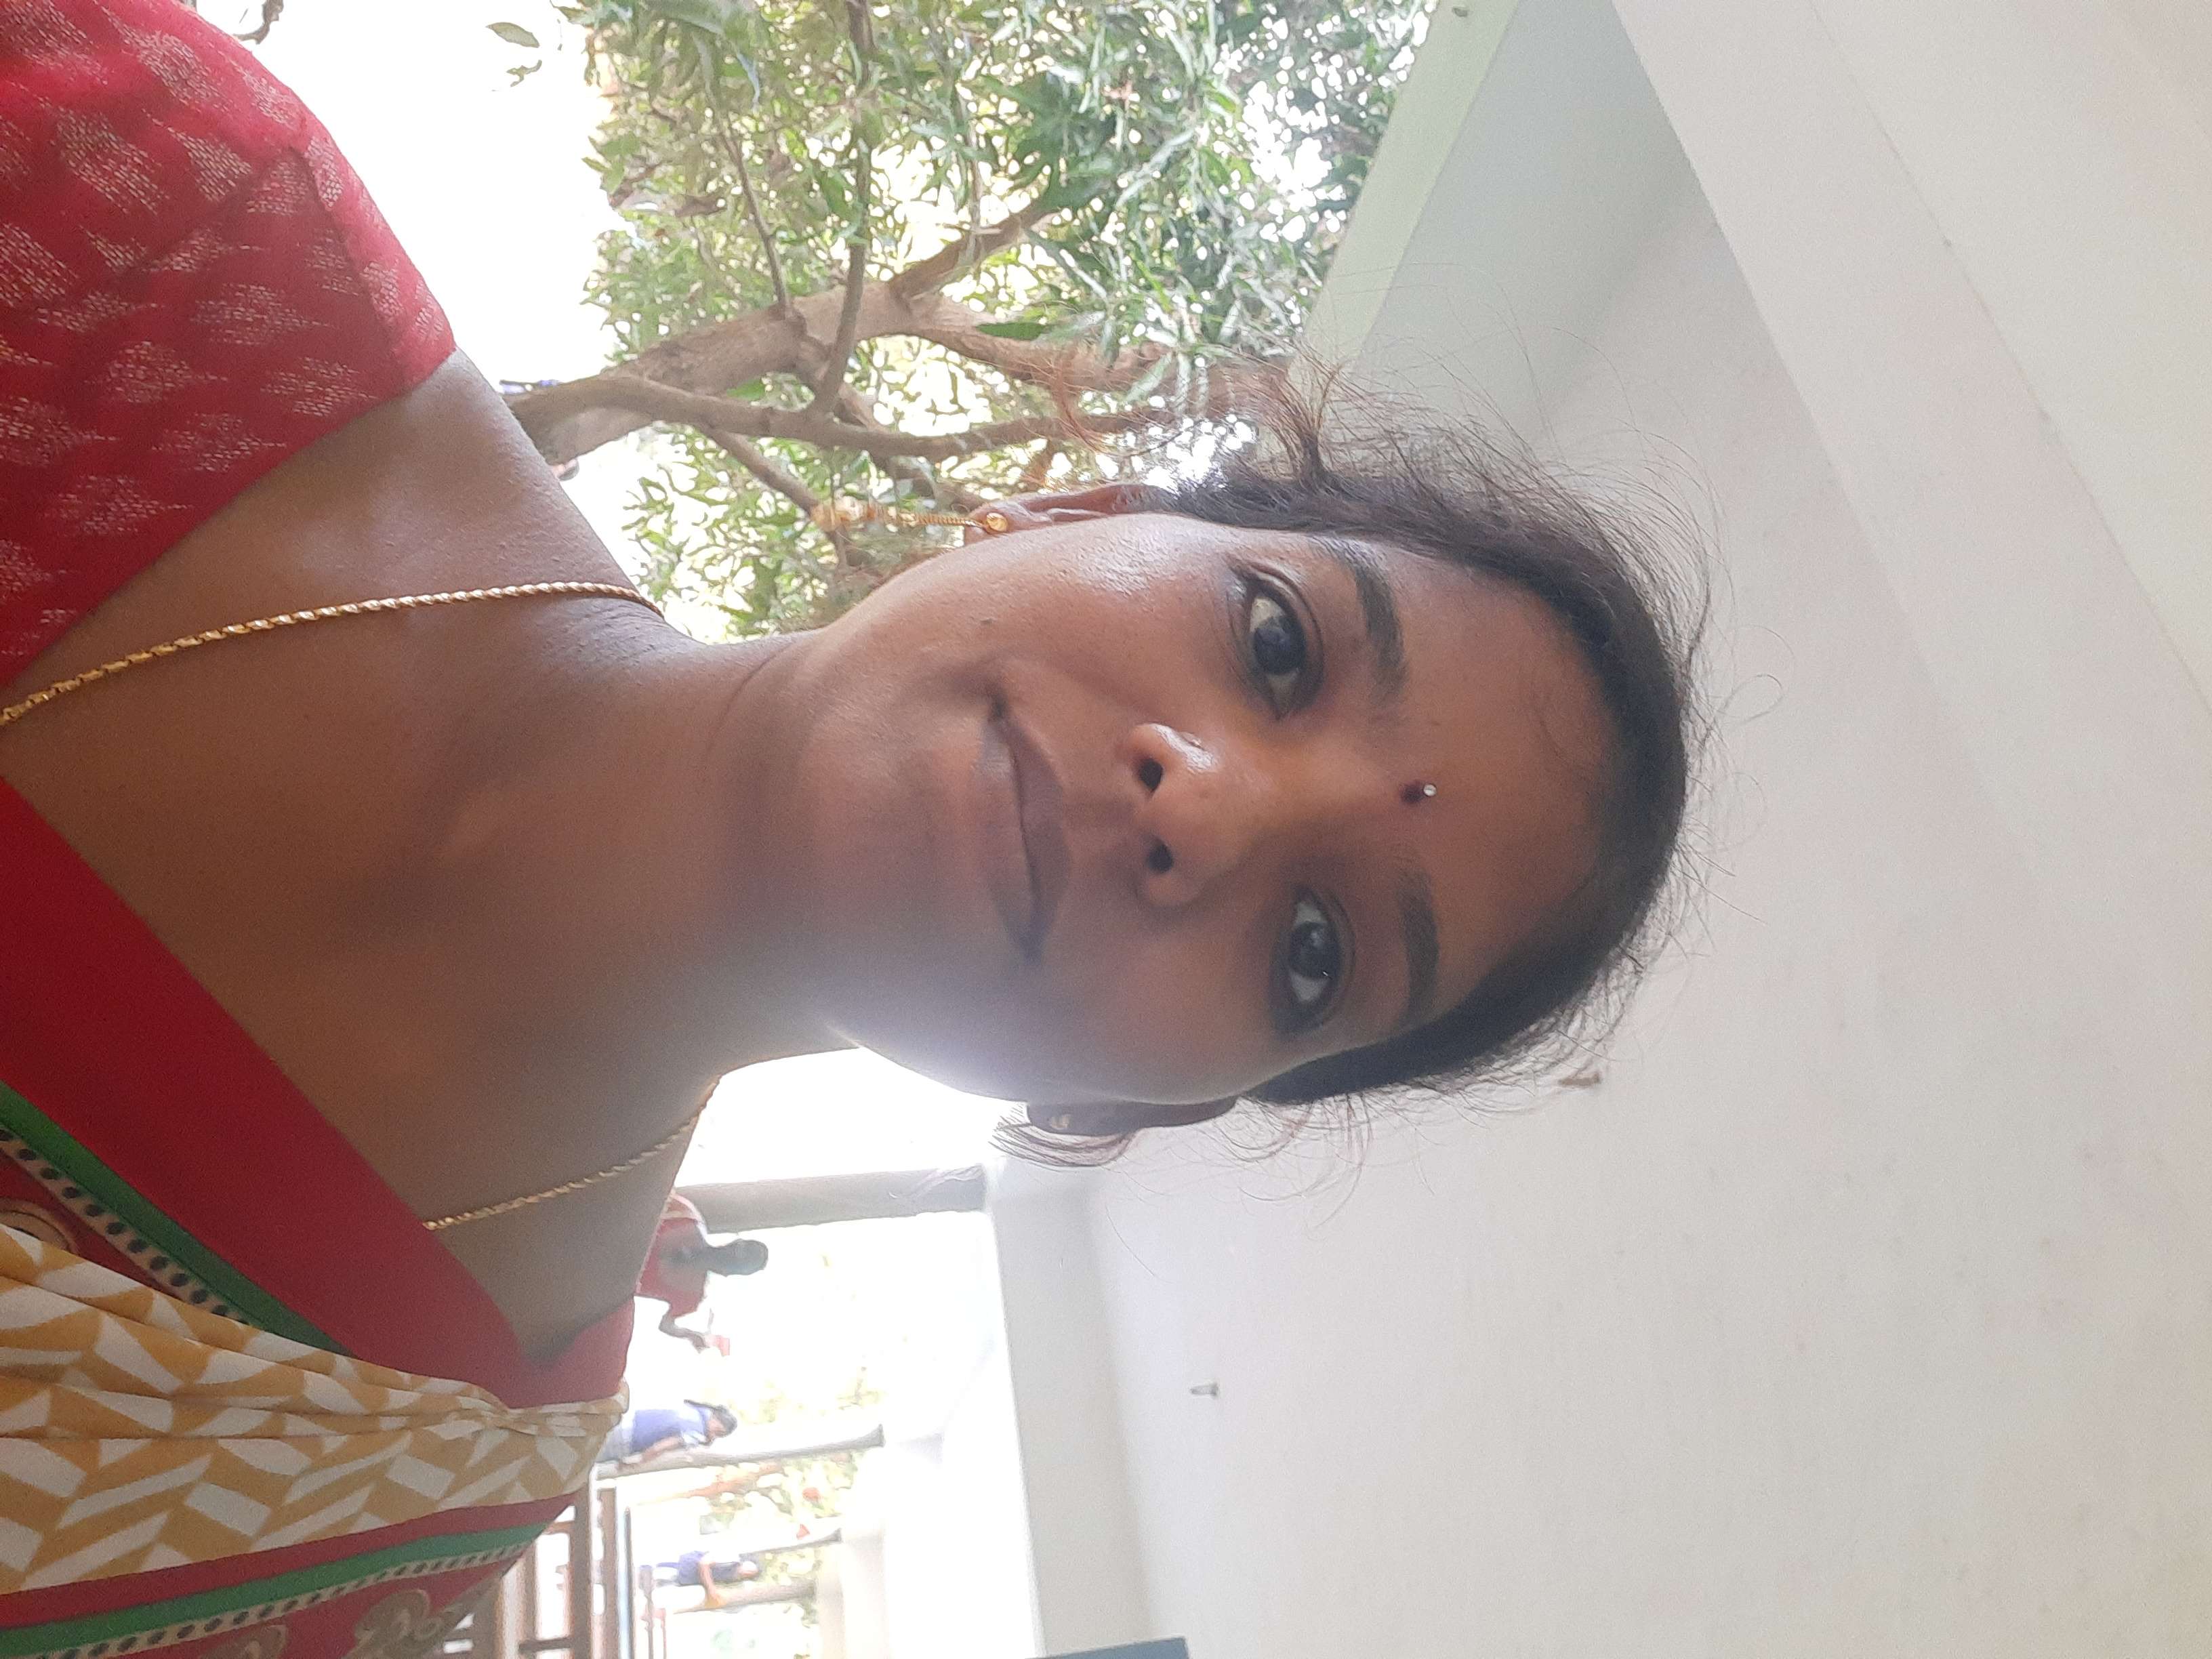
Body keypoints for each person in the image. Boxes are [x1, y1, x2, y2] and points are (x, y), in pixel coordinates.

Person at [0, 1, 1694, 1652]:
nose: (1210, 807)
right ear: (1073, 504)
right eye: (1275, 642)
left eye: (1316, 952)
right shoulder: (143, 202)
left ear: (1131, 1104)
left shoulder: (393, 1497)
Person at [638, 1191, 769, 1349]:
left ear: (727, 1273)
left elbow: (666, 1325)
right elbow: (644, 1195)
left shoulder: (691, 1297)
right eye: (733, 1253)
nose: (726, 1257)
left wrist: (690, 1335)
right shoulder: (684, 1214)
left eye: (733, 1263)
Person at [598, 1400, 742, 1467]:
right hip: (628, 1439)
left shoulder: (694, 1408)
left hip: (628, 1418)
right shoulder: (697, 1433)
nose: (714, 1437)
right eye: (718, 1433)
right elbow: (660, 1447)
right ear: (717, 1423)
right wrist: (640, 1461)